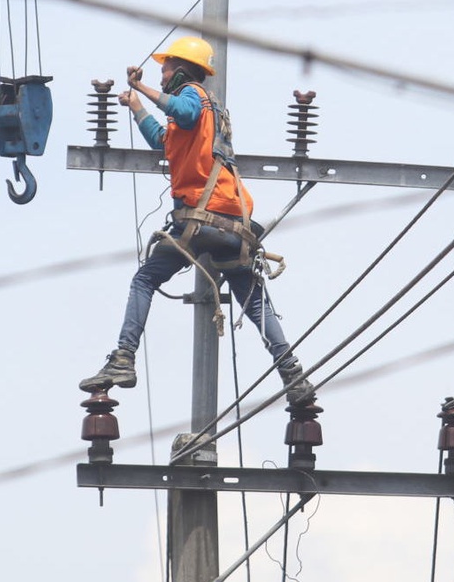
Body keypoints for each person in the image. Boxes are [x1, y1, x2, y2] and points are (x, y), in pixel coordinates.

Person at [78, 36, 315, 406]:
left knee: (145, 279)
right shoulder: (206, 116)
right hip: (234, 226)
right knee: (254, 301)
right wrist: (138, 106)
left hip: (201, 220)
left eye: (166, 66)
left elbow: (183, 112)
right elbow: (164, 140)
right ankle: (294, 376)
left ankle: (123, 358)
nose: (162, 71)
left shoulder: (192, 96)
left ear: (183, 71)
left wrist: (142, 85)